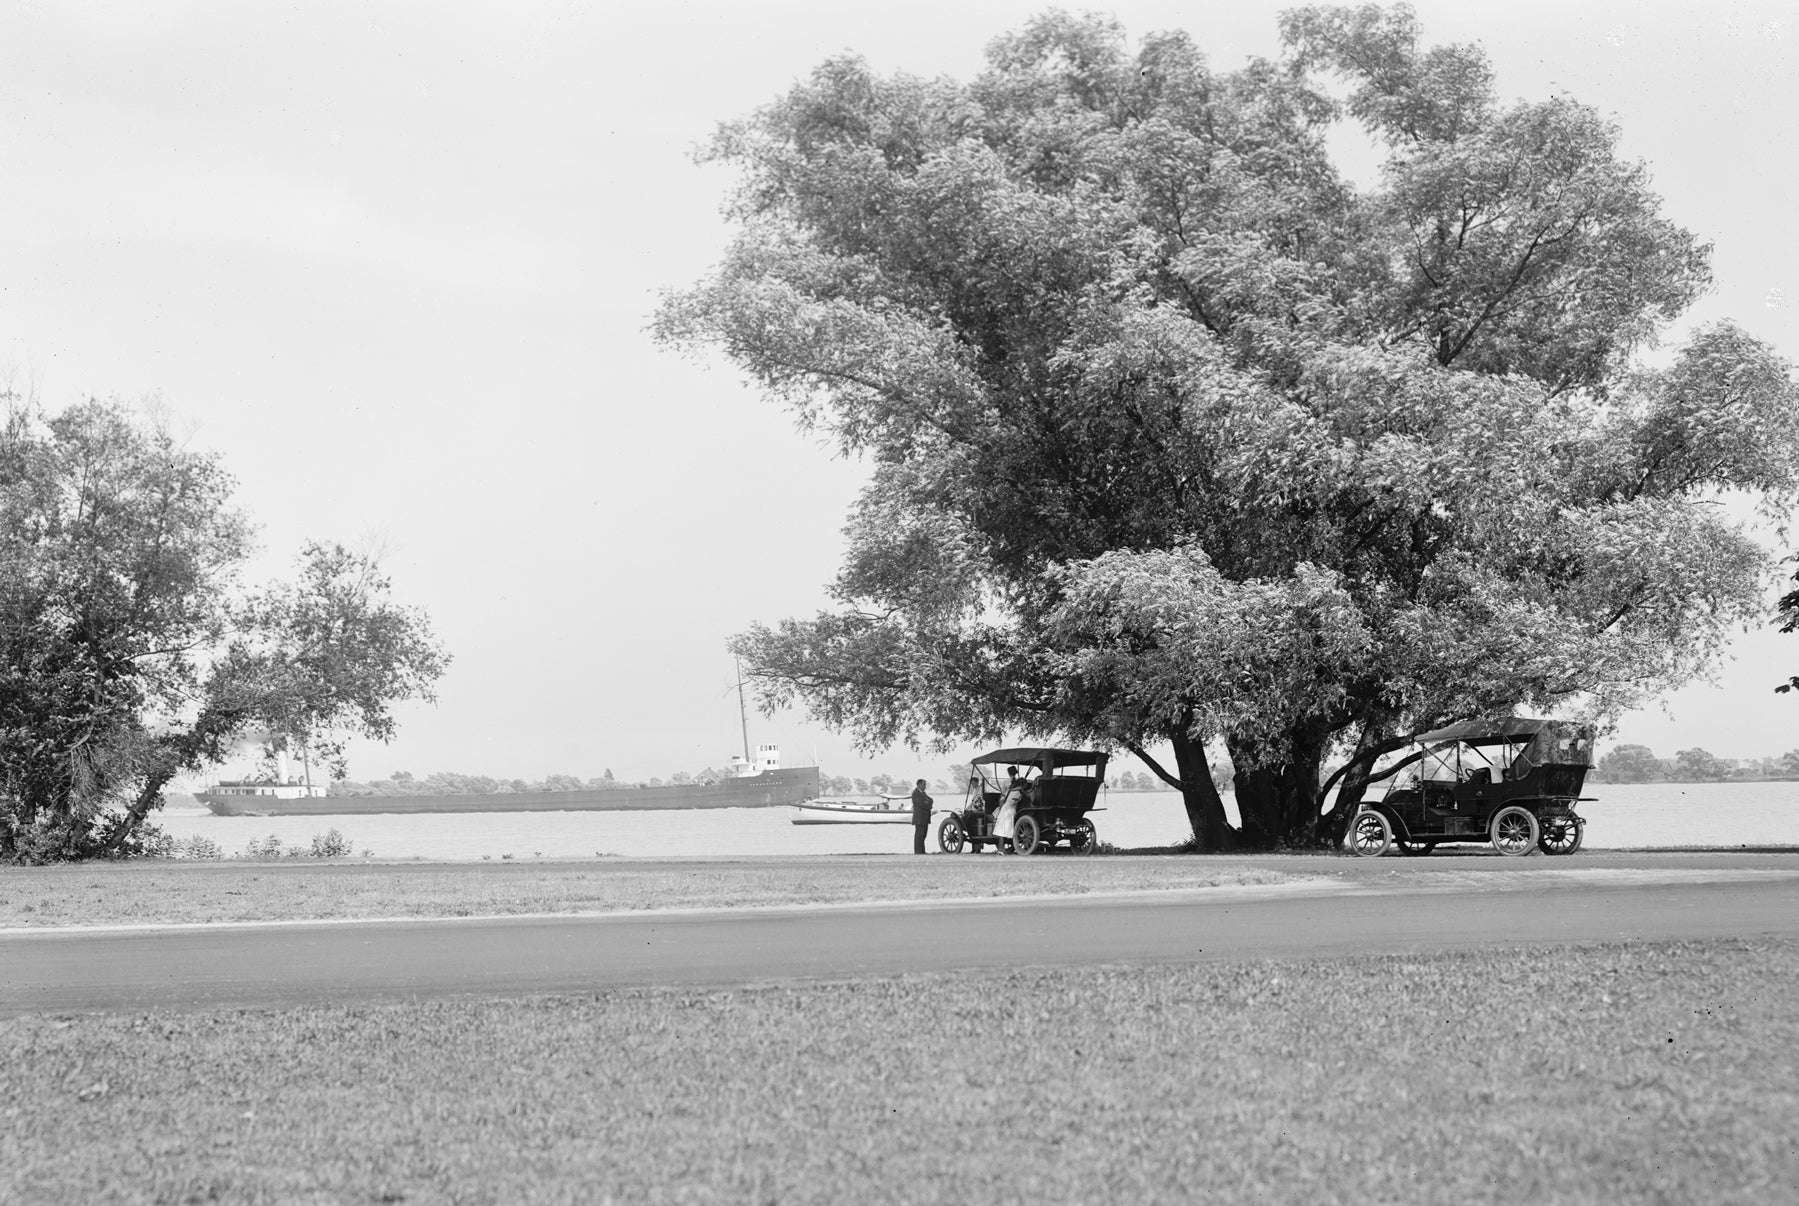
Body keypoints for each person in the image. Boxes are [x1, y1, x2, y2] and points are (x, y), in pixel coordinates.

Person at [993, 765, 1023, 851]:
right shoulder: (1019, 793)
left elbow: (1002, 798)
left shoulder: (1007, 786)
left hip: (1006, 809)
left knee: (1002, 829)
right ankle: (1010, 847)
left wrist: (1000, 808)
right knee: (1008, 829)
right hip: (1013, 809)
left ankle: (1001, 848)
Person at [910, 778, 934, 854]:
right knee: (919, 835)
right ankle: (918, 851)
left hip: (924, 818)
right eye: (923, 785)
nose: (925, 786)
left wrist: (928, 803)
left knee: (923, 835)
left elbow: (931, 800)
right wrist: (928, 805)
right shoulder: (915, 793)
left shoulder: (923, 793)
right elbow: (921, 804)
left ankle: (922, 851)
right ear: (919, 785)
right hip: (919, 818)